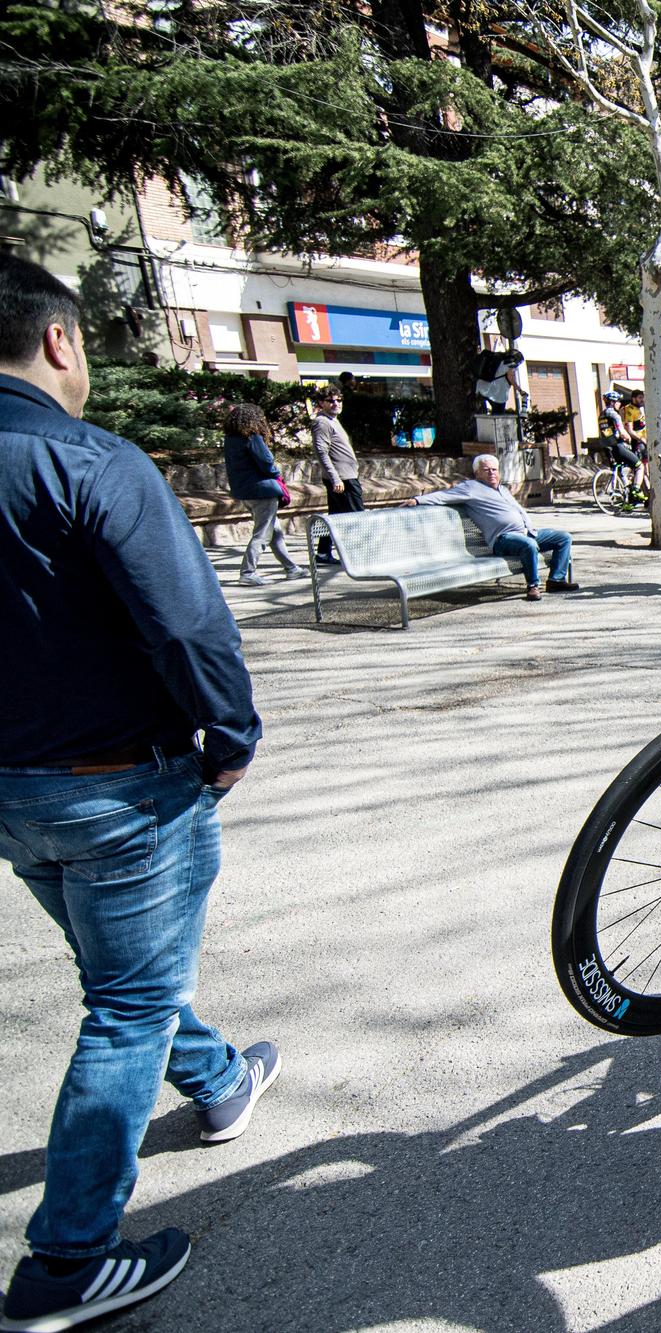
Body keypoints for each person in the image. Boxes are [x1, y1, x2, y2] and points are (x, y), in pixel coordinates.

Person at [0, 254, 277, 1331]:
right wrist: (232, 733)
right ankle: (66, 1259)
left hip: (13, 790)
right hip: (119, 781)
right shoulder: (86, 459)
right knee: (124, 1003)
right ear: (59, 338)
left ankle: (218, 1082)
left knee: (124, 974)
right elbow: (187, 622)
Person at [411, 454, 577, 601]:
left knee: (563, 537)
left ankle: (556, 580)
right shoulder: (470, 488)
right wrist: (417, 500)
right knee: (529, 545)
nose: (491, 473)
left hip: (527, 533)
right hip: (503, 539)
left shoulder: (502, 489)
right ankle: (533, 586)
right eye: (486, 470)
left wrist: (529, 529)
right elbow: (443, 496)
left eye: (494, 469)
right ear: (477, 473)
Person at [222, 402, 305, 586]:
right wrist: (276, 474)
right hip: (262, 491)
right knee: (263, 534)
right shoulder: (252, 437)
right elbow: (267, 462)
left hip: (244, 492)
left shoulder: (230, 439)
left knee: (274, 531)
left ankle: (291, 568)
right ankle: (248, 572)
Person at [310, 385, 362, 562]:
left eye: (339, 400)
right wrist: (335, 478)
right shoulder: (322, 422)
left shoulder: (332, 420)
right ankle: (358, 556)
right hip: (342, 479)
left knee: (336, 517)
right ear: (321, 403)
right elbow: (321, 452)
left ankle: (323, 553)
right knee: (357, 517)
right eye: (330, 400)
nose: (335, 403)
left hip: (346, 476)